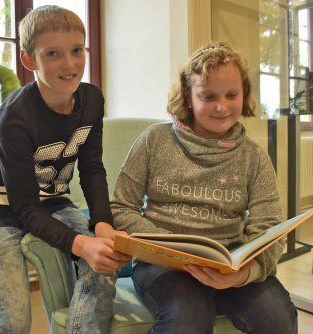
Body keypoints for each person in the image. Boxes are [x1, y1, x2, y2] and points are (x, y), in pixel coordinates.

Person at [111, 41, 298, 334]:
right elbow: (121, 207)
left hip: (230, 262)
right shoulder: (154, 141)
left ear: (244, 95)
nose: (222, 106)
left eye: (231, 95)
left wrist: (241, 275)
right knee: (188, 317)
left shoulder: (254, 156)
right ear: (188, 97)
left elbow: (269, 229)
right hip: (163, 263)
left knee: (279, 321)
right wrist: (170, 251)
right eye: (207, 96)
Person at [0, 5, 131, 334]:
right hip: (2, 208)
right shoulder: (14, 116)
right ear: (29, 60)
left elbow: (91, 167)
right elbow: (24, 207)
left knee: (103, 264)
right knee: (13, 321)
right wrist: (80, 243)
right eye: (54, 54)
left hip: (54, 200)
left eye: (77, 50)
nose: (70, 64)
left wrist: (101, 223)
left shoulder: (92, 100)